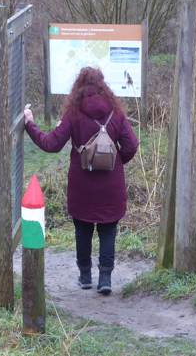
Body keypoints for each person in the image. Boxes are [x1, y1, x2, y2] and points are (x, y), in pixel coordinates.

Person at [23, 67, 139, 295]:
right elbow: (132, 145)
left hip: (81, 186)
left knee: (82, 230)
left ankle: (85, 276)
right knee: (108, 230)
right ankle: (105, 278)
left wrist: (30, 124)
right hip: (111, 187)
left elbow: (51, 144)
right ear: (103, 88)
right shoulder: (116, 113)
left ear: (78, 89)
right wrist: (116, 163)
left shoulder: (74, 114)